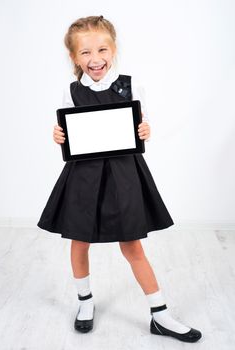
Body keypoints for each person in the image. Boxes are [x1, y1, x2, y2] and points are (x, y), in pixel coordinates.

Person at [37, 15, 202, 342]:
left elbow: (137, 125)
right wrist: (59, 135)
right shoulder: (71, 92)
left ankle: (160, 313)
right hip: (83, 175)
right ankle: (85, 302)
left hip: (124, 173)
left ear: (113, 51)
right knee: (78, 240)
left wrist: (145, 129)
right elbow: (69, 132)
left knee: (132, 244)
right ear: (73, 57)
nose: (94, 59)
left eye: (102, 50)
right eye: (85, 53)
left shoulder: (129, 84)